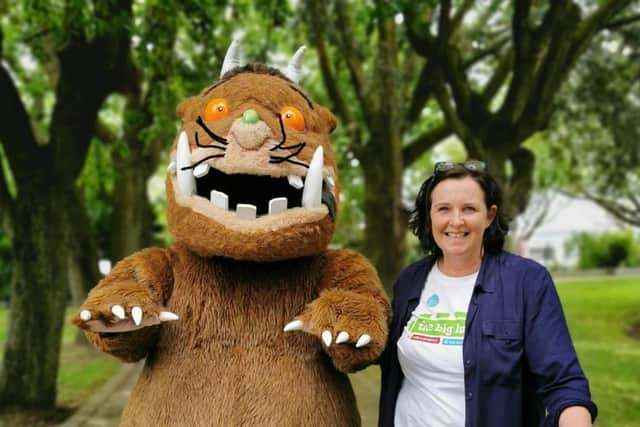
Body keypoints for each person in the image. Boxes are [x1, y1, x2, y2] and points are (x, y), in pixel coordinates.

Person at [378, 160, 596, 427]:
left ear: (489, 215)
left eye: (469, 209)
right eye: (444, 209)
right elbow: (378, 350)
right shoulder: (410, 280)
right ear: (430, 214)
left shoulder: (527, 281)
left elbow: (564, 384)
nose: (455, 221)